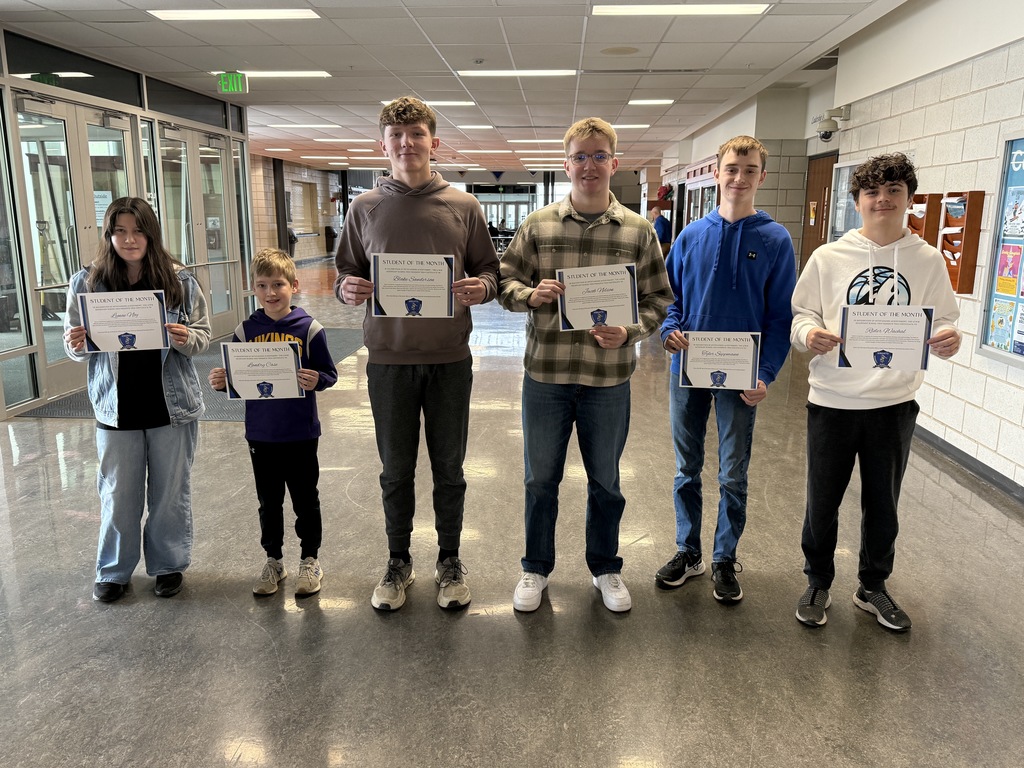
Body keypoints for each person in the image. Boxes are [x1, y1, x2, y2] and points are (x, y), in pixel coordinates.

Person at [499, 117, 673, 613]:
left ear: (614, 164)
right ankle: (535, 568)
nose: (589, 165)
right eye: (580, 156)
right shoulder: (538, 224)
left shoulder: (638, 231)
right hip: (546, 376)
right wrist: (531, 295)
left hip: (607, 380)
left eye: (599, 156)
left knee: (606, 480)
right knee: (540, 480)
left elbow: (659, 298)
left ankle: (606, 567)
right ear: (566, 163)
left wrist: (633, 330)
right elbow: (505, 282)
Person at [335, 96, 499, 612]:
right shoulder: (363, 208)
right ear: (382, 144)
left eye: (416, 135)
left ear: (434, 142)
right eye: (396, 136)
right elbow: (346, 273)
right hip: (388, 360)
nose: (407, 144)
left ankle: (449, 561)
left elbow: (491, 272)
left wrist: (483, 289)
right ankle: (398, 561)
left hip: (450, 359)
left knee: (450, 467)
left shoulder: (464, 205)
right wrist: (348, 290)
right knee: (395, 470)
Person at [791, 153, 961, 631]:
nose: (882, 199)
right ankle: (818, 579)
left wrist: (949, 337)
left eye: (893, 191)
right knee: (822, 499)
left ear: (908, 198)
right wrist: (809, 336)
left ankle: (872, 586)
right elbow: (800, 315)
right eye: (872, 192)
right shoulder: (828, 258)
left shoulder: (926, 260)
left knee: (883, 503)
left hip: (893, 402)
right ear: (858, 201)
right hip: (833, 400)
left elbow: (945, 317)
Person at [655, 135, 796, 603]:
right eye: (732, 168)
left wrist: (767, 373)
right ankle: (688, 551)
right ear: (716, 172)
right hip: (688, 369)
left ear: (762, 176)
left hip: (741, 375)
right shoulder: (692, 237)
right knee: (686, 468)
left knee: (733, 472)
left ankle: (722, 557)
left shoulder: (775, 240)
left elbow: (780, 317)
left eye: (749, 169)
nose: (739, 177)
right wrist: (668, 331)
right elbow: (669, 299)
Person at [63, 197, 211, 603]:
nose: (129, 240)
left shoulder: (180, 281)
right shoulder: (87, 282)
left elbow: (201, 335)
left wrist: (184, 338)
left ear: (151, 233)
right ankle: (113, 571)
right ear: (109, 234)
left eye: (138, 230)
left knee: (169, 493)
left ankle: (167, 566)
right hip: (116, 406)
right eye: (120, 231)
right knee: (117, 494)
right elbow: (74, 346)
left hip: (170, 405)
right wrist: (76, 344)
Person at [208, 248, 338, 597]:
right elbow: (237, 381)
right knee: (268, 501)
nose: (271, 292)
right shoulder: (244, 330)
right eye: (262, 285)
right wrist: (222, 381)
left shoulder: (309, 329)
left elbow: (329, 373)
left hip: (300, 433)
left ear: (294, 285)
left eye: (278, 284)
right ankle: (273, 560)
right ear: (253, 289)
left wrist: (317, 380)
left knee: (305, 500)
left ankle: (310, 559)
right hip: (261, 434)